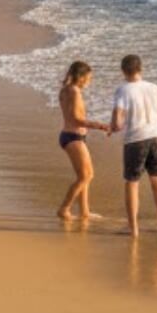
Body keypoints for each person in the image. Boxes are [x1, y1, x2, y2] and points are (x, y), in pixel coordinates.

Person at [107, 54, 157, 237]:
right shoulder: (154, 87)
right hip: (156, 137)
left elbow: (118, 117)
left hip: (135, 139)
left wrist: (114, 127)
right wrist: (156, 120)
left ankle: (133, 228)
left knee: (132, 183)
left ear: (123, 71)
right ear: (141, 69)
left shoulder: (123, 90)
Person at [54, 60, 113, 222]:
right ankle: (64, 208)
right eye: (88, 77)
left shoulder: (65, 90)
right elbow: (76, 119)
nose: (90, 81)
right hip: (73, 137)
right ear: (81, 77)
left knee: (84, 175)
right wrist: (100, 126)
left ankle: (85, 212)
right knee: (86, 176)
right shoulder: (74, 92)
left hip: (69, 136)